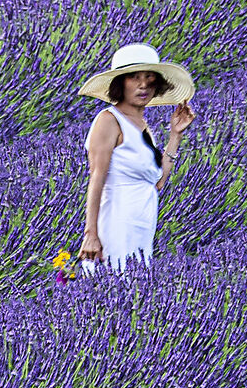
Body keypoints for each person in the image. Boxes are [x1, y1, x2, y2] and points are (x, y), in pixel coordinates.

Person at [76, 42, 196, 274]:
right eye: (134, 77)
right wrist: (90, 234)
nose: (143, 85)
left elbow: (156, 182)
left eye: (150, 78)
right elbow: (96, 178)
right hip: (116, 223)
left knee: (135, 289)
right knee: (112, 287)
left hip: (142, 224)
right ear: (121, 83)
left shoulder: (142, 126)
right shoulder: (108, 120)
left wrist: (175, 134)